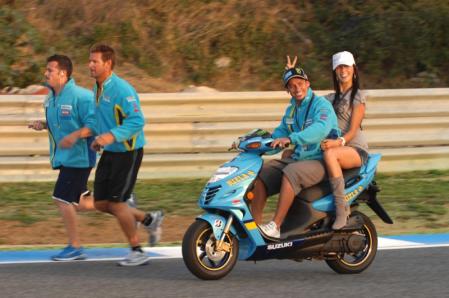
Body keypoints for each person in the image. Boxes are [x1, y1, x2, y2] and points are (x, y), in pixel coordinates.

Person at [88, 44, 163, 266]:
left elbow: (137, 121)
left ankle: (137, 251)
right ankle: (148, 219)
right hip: (109, 152)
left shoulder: (122, 90)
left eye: (95, 61)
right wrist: (97, 139)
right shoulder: (97, 87)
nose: (90, 65)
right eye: (90, 61)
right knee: (101, 203)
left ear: (108, 64)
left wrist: (110, 136)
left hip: (127, 152)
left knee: (118, 203)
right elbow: (101, 117)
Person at [253, 64, 340, 239]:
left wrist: (292, 139)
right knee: (261, 175)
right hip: (300, 158)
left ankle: (276, 226)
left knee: (290, 173)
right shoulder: (292, 110)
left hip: (321, 159)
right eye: (291, 85)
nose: (297, 88)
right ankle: (253, 228)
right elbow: (280, 134)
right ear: (287, 90)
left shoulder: (320, 105)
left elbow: (320, 129)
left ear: (307, 83)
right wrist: (258, 144)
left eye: (300, 83)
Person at [29, 54, 97, 261]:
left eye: (50, 70)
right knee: (78, 203)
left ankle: (75, 247)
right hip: (64, 156)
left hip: (80, 156)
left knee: (60, 198)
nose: (45, 73)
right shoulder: (50, 97)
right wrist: (44, 125)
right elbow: (61, 122)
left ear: (63, 73)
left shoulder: (82, 97)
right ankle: (119, 202)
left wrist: (74, 136)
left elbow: (94, 126)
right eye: (46, 69)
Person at [321, 51, 369, 229]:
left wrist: (337, 143)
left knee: (330, 155)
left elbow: (353, 130)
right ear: (335, 71)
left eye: (346, 66)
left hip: (355, 149)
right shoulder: (330, 99)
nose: (343, 70)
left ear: (354, 69)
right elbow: (307, 99)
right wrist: (294, 76)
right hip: (337, 148)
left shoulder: (358, 96)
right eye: (339, 67)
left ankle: (342, 210)